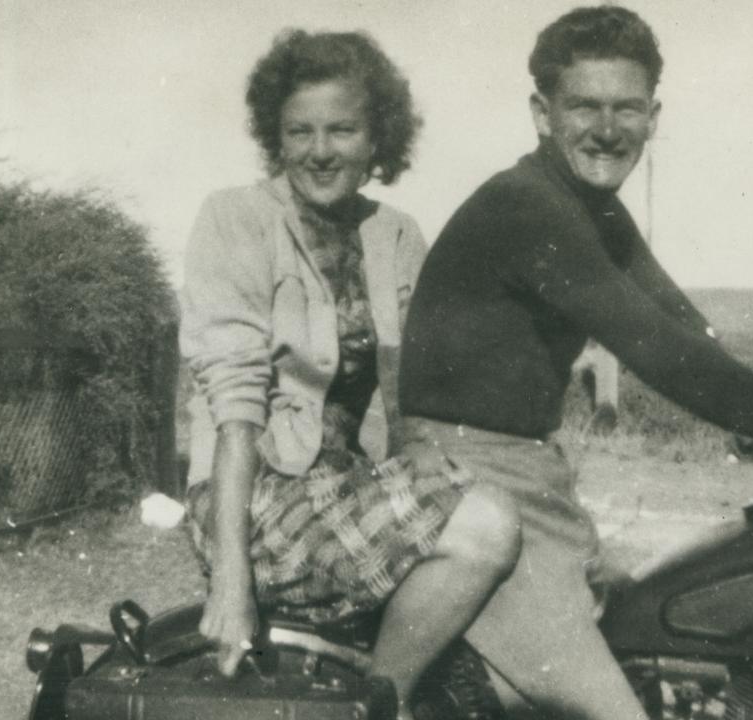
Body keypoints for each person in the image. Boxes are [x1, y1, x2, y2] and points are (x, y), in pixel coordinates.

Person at [398, 6, 753, 720]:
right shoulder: (527, 206)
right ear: (543, 113)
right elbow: (657, 349)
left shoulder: (589, 207)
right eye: (584, 107)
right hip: (465, 477)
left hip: (525, 476)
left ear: (653, 116)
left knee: (659, 640)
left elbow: (676, 320)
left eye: (626, 108)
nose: (607, 128)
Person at [178, 30, 521, 720]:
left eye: (342, 129)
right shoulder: (236, 218)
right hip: (255, 499)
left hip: (352, 487)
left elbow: (421, 393)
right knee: (486, 526)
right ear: (275, 136)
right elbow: (235, 407)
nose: (319, 150)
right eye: (298, 131)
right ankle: (376, 706)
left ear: (377, 140)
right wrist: (230, 578)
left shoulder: (395, 235)